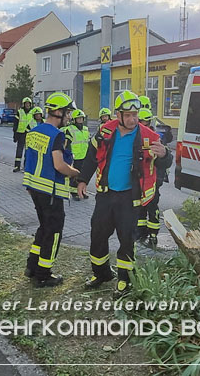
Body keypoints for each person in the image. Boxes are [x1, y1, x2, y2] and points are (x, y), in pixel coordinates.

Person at [77, 91, 170, 296]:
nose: (132, 119)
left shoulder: (149, 136)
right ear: (117, 115)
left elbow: (165, 162)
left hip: (130, 198)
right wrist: (82, 180)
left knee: (127, 239)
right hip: (105, 195)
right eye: (127, 115)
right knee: (98, 234)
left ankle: (124, 280)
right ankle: (101, 273)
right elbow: (91, 157)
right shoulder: (105, 132)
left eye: (135, 114)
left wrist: (165, 155)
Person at [23, 93, 81, 288]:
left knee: (43, 228)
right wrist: (74, 172)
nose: (69, 117)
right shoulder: (57, 135)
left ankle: (32, 266)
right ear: (58, 112)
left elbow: (29, 161)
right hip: (50, 192)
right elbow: (59, 165)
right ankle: (44, 274)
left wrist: (29, 186)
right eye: (68, 112)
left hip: (35, 190)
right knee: (54, 231)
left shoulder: (34, 132)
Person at [136, 108, 173, 249]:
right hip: (141, 179)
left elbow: (165, 151)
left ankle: (152, 234)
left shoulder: (155, 135)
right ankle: (141, 232)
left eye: (144, 121)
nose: (142, 124)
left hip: (155, 178)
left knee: (152, 206)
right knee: (141, 207)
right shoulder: (137, 134)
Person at [63, 109, 91, 200]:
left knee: (83, 175)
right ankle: (74, 192)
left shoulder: (86, 129)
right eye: (78, 119)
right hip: (75, 157)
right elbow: (67, 144)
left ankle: (82, 191)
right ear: (74, 120)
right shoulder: (70, 129)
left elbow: (88, 142)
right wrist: (68, 155)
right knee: (74, 175)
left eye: (81, 119)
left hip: (84, 156)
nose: (80, 120)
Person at [13, 97, 34, 172]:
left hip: (30, 134)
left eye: (29, 103)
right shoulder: (20, 112)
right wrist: (15, 134)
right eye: (26, 103)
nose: (27, 105)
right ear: (24, 104)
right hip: (20, 133)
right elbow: (16, 123)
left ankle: (26, 167)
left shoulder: (33, 112)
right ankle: (17, 166)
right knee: (19, 150)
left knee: (28, 151)